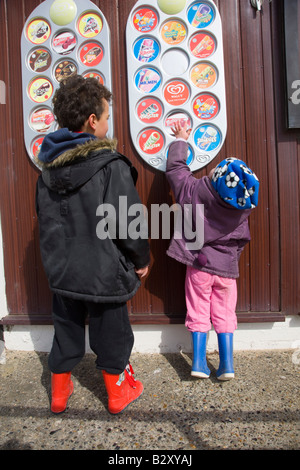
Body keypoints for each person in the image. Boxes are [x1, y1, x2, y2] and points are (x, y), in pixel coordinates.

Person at [35, 75, 150, 414]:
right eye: (107, 116)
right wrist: (140, 257)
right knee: (112, 331)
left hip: (62, 271)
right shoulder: (111, 166)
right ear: (92, 121)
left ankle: (59, 392)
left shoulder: (46, 171)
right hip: (104, 272)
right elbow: (128, 222)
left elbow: (44, 218)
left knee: (65, 328)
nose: (108, 122)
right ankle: (117, 395)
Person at [166, 122, 259, 380]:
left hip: (199, 266)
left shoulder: (193, 190)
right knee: (225, 314)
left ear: (216, 175)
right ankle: (226, 364)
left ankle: (199, 362)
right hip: (227, 271)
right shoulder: (240, 212)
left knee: (198, 310)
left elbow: (175, 169)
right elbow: (242, 241)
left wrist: (181, 139)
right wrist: (230, 260)